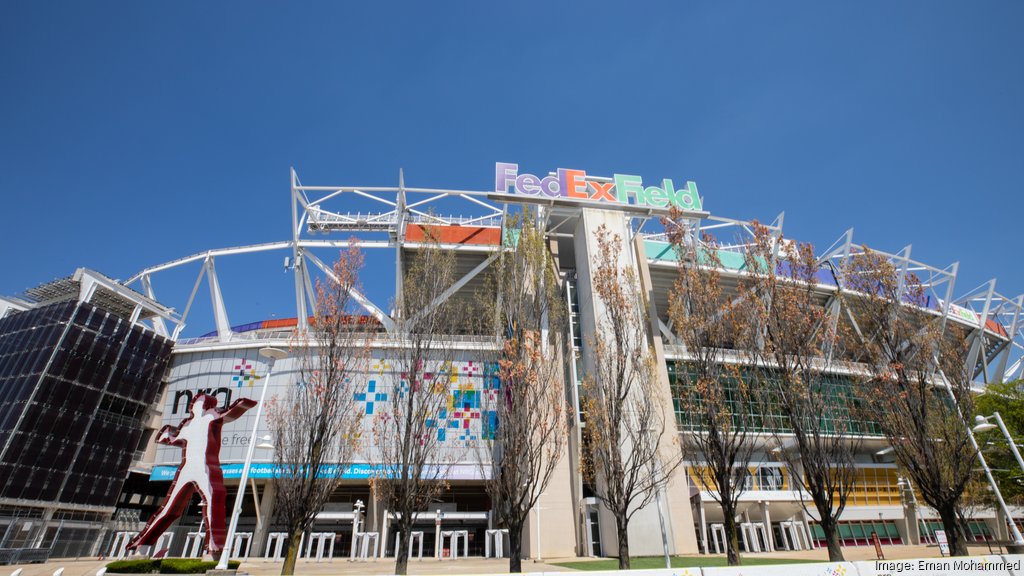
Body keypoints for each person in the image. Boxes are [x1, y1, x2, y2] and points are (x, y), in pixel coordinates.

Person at [127, 393, 257, 556]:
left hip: (204, 467)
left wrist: (242, 403)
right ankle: (143, 542)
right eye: (195, 402)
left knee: (212, 501)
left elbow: (229, 412)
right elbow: (173, 438)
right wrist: (165, 435)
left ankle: (214, 545)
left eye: (200, 402)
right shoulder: (187, 425)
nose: (196, 405)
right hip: (187, 468)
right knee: (169, 508)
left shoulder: (211, 417)